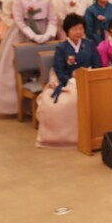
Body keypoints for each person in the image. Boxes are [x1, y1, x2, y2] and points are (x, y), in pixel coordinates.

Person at [0, 0, 58, 116]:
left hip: (44, 30)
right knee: (15, 65)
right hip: (22, 33)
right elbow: (18, 20)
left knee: (45, 66)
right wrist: (33, 35)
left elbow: (52, 18)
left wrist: (49, 33)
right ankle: (20, 104)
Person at [35, 13, 101, 149]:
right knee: (71, 100)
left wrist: (89, 76)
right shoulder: (61, 47)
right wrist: (70, 80)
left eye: (81, 29)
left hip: (89, 78)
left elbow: (97, 64)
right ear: (67, 31)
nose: (78, 32)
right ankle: (73, 137)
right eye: (74, 29)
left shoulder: (89, 44)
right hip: (68, 81)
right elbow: (59, 70)